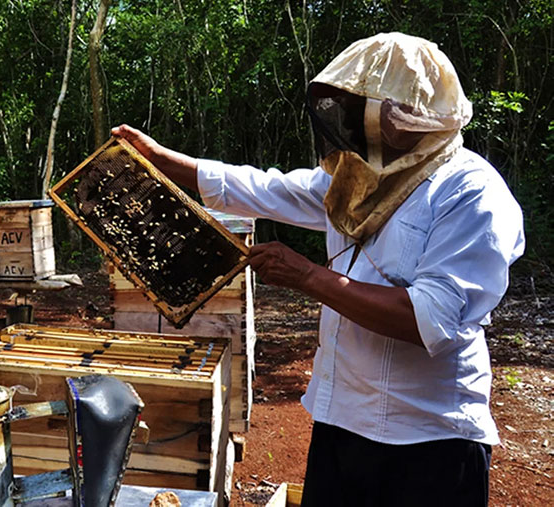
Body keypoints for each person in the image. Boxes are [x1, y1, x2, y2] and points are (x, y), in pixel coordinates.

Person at [112, 32, 524, 506]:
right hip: (341, 420)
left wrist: (308, 277)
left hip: (428, 440)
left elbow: (429, 318)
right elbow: (260, 188)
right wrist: (160, 158)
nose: (348, 120)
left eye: (362, 107)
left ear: (411, 113)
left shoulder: (470, 193)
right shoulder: (355, 177)